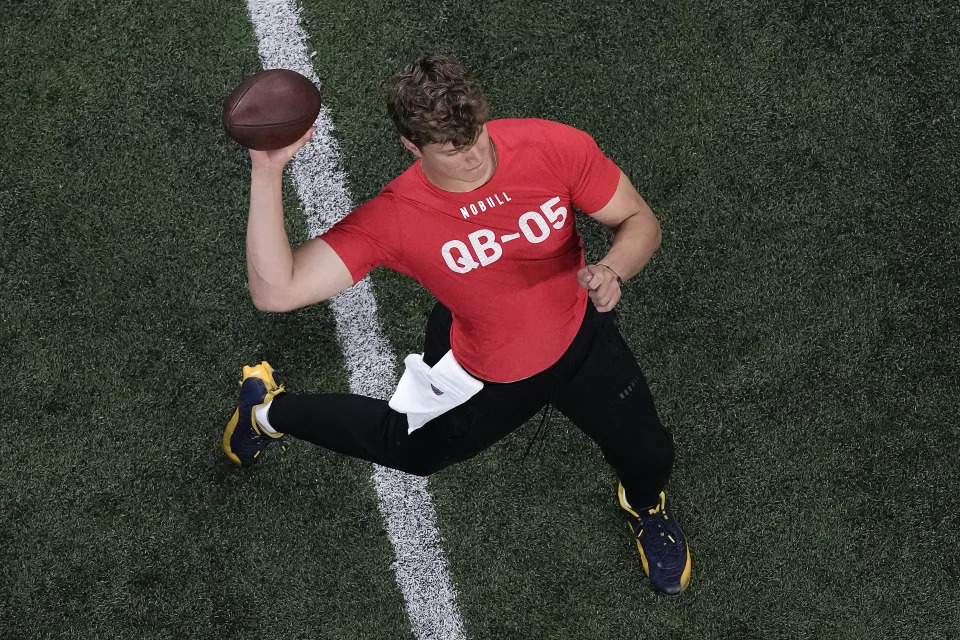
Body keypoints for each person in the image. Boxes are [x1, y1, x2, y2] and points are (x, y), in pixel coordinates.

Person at [223, 54, 692, 595]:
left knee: (650, 453)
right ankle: (267, 411)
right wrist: (267, 171)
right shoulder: (395, 218)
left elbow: (640, 221)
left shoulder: (551, 146)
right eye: (452, 148)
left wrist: (614, 269)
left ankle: (643, 505)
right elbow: (275, 291)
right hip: (484, 372)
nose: (474, 156)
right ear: (411, 145)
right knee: (409, 452)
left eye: (476, 137)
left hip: (580, 341)